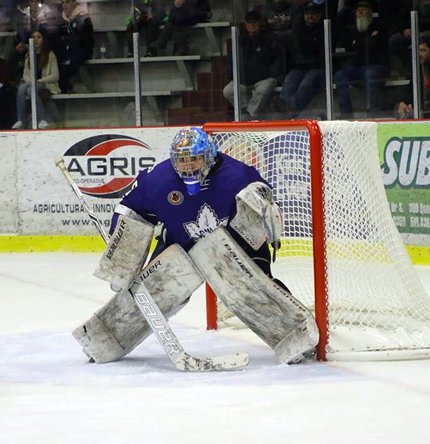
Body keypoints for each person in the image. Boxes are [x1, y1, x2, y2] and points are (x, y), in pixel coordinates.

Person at [72, 127, 318, 366]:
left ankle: (295, 334)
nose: (187, 167)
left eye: (195, 159)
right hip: (180, 243)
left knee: (251, 288)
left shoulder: (238, 175)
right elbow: (132, 211)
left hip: (236, 245)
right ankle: (107, 338)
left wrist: (263, 211)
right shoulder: (158, 179)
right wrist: (123, 256)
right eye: (181, 161)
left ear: (209, 156)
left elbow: (264, 203)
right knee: (153, 290)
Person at [334, 0, 389, 118]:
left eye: (363, 10)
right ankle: (346, 113)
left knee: (370, 74)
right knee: (339, 75)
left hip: (378, 66)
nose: (360, 12)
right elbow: (348, 44)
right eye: (358, 11)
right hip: (358, 67)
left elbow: (376, 45)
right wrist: (368, 40)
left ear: (370, 12)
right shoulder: (353, 28)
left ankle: (373, 112)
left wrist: (357, 42)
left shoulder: (379, 25)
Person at [223, 10, 282, 120]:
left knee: (264, 89)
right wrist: (233, 75)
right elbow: (231, 60)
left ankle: (249, 116)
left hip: (264, 79)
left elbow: (277, 59)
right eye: (249, 22)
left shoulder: (269, 38)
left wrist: (272, 74)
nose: (252, 25)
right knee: (228, 90)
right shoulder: (240, 40)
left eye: (255, 22)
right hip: (244, 81)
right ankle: (249, 112)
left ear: (260, 23)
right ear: (245, 24)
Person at [279, 2, 326, 118]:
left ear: (319, 15)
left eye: (313, 14)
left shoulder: (324, 29)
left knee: (306, 84)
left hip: (318, 69)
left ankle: (288, 116)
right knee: (289, 81)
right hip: (299, 68)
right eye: (307, 13)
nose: (310, 16)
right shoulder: (298, 30)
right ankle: (285, 114)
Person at [13, 29, 60, 129]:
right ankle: (20, 120)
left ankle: (42, 119)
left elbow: (55, 75)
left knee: (31, 91)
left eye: (39, 37)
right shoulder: (28, 55)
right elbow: (25, 74)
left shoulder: (50, 54)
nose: (36, 40)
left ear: (43, 39)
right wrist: (31, 81)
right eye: (34, 37)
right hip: (31, 82)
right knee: (21, 89)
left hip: (44, 83)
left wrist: (40, 80)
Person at [54, 0, 94, 93]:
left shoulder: (83, 17)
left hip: (81, 51)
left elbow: (86, 40)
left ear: (74, 3)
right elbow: (58, 39)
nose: (65, 5)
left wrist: (67, 39)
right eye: (63, 2)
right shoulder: (61, 20)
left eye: (67, 2)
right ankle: (64, 87)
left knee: (69, 64)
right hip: (66, 52)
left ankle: (71, 87)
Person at [148, 0, 212, 57]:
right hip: (184, 14)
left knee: (177, 19)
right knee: (174, 18)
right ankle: (178, 47)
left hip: (199, 13)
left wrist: (184, 3)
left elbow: (197, 7)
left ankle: (165, 42)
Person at [395, 36, 430, 119]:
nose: (419, 54)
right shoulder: (417, 68)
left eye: (423, 51)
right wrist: (403, 102)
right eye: (417, 51)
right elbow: (410, 89)